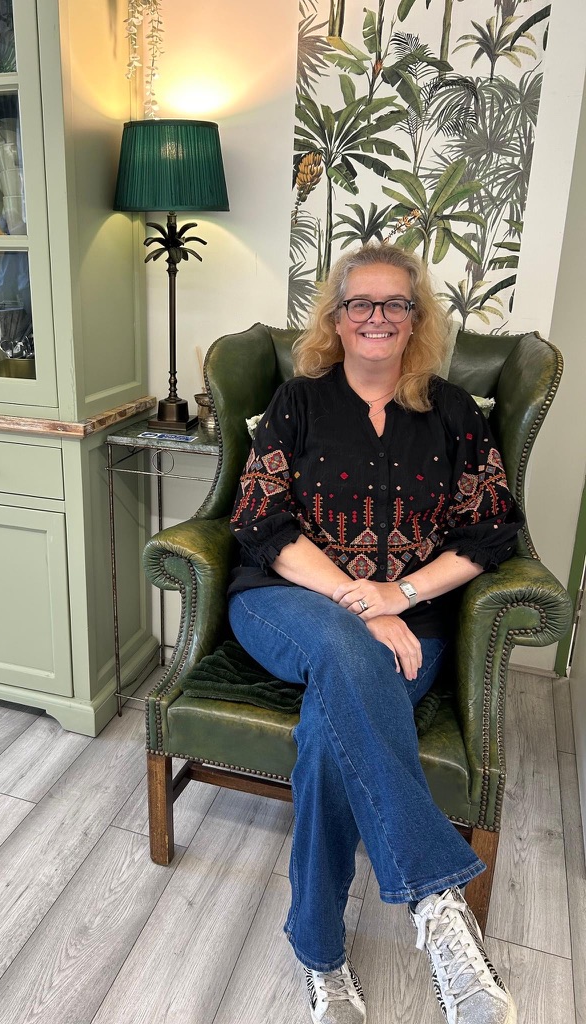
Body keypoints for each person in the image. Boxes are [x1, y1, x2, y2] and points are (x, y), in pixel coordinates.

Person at [227, 242, 523, 1024]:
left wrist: (402, 593)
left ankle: (320, 958)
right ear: (337, 316)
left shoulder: (454, 414)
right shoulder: (297, 402)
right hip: (284, 600)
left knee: (330, 737)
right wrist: (365, 604)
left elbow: (492, 529)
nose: (378, 317)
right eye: (361, 302)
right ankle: (439, 903)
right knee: (344, 646)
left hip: (410, 622)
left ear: (417, 319)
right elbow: (259, 521)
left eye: (397, 304)